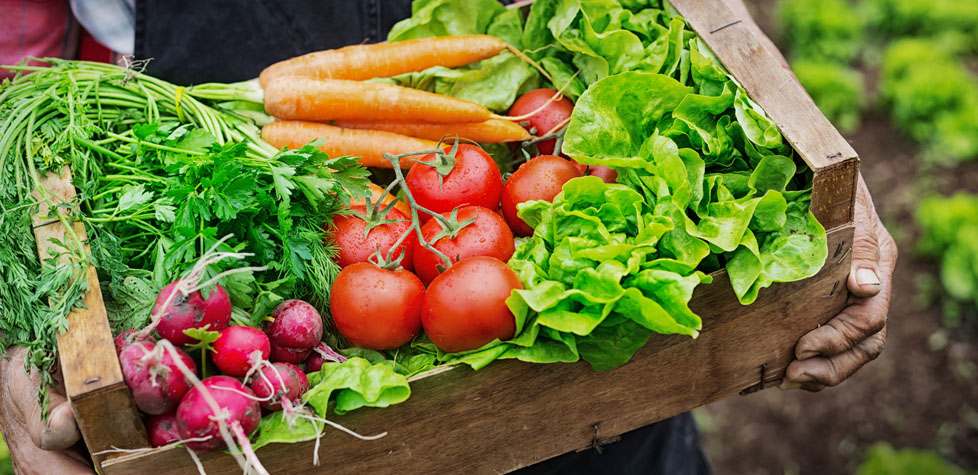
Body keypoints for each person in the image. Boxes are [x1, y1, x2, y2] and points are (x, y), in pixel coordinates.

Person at [0, 1, 898, 473]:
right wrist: (23, 326)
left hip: (588, 374)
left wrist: (796, 128)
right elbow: (14, 84)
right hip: (212, 207)